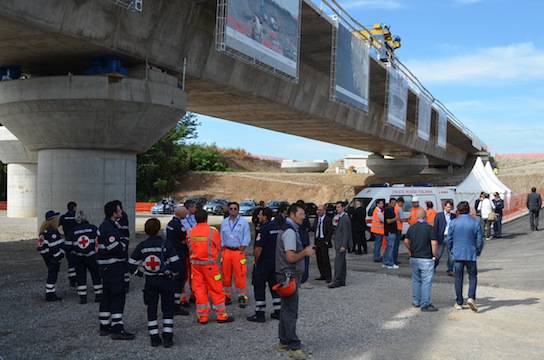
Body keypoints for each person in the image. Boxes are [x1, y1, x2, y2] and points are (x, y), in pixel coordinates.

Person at [128, 218, 183, 348]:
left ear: (146, 231)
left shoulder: (142, 246)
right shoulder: (166, 244)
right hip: (166, 280)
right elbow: (176, 265)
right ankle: (168, 337)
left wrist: (141, 274)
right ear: (159, 230)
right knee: (168, 308)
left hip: (150, 281)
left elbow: (130, 265)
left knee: (151, 308)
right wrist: (172, 272)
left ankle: (154, 337)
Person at [275, 203, 315, 360]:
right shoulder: (290, 232)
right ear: (292, 214)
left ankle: (283, 342)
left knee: (285, 308)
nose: (304, 216)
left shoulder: (287, 228)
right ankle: (293, 345)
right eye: (301, 213)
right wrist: (305, 252)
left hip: (284, 274)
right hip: (288, 276)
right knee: (291, 310)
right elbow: (290, 257)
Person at [188, 209, 234, 324]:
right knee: (216, 289)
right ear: (206, 218)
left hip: (195, 266)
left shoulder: (190, 231)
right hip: (210, 266)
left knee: (199, 290)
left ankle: (202, 316)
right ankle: (221, 315)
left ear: (195, 219)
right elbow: (218, 247)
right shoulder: (212, 232)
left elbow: (189, 248)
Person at [97, 200, 134, 340]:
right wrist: (124, 241)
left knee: (106, 295)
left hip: (107, 268)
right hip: (113, 268)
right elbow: (116, 248)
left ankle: (104, 325)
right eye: (119, 210)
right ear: (114, 213)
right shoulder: (109, 228)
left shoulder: (109, 225)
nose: (122, 212)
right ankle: (117, 329)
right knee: (118, 296)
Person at [448, 201, 484, 312]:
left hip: (457, 253)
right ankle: (471, 297)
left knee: (458, 278)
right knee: (472, 276)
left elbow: (449, 239)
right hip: (470, 253)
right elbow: (479, 239)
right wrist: (477, 251)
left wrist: (452, 250)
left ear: (458, 210)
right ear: (469, 210)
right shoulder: (476, 222)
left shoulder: (453, 223)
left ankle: (459, 302)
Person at [247, 207, 281, 322]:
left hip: (263, 263)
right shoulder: (276, 227)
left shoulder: (264, 228)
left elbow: (258, 248)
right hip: (275, 262)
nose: (258, 217)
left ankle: (260, 313)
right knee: (275, 287)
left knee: (259, 286)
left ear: (265, 217)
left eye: (260, 215)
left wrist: (256, 260)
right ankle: (278, 311)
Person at [404, 208, 438, 312]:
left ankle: (416, 301)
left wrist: (410, 251)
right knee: (426, 282)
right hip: (426, 258)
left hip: (414, 257)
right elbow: (434, 243)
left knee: (416, 280)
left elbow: (406, 241)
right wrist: (434, 255)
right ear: (425, 216)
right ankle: (425, 304)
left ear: (417, 217)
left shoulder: (411, 227)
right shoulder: (430, 228)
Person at [220, 201, 251, 307]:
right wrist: (222, 246)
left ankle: (241, 296)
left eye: (235, 208)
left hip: (238, 252)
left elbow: (247, 236)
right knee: (226, 275)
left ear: (238, 210)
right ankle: (226, 295)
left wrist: (243, 246)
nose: (233, 210)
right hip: (227, 251)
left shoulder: (243, 222)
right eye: (231, 208)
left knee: (240, 274)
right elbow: (221, 236)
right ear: (228, 210)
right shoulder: (224, 222)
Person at [69, 211, 103, 304]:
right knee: (96, 275)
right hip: (92, 256)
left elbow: (68, 246)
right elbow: (100, 241)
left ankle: (83, 298)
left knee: (81, 277)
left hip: (79, 258)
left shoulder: (73, 231)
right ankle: (98, 296)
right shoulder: (93, 228)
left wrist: (73, 253)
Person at [165, 205, 190, 316]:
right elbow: (184, 240)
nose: (186, 215)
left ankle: (173, 303)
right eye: (185, 213)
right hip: (179, 255)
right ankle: (176, 305)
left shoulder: (170, 224)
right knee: (179, 279)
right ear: (180, 214)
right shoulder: (179, 226)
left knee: (175, 279)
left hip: (172, 254)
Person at [37, 210, 64, 302]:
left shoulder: (43, 231)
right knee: (52, 275)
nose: (57, 220)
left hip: (47, 257)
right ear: (52, 220)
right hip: (53, 258)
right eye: (56, 218)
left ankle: (51, 292)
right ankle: (50, 295)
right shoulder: (52, 232)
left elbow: (41, 247)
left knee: (52, 274)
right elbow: (54, 247)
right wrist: (59, 256)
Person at [328, 201, 352, 288]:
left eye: (338, 207)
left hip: (341, 244)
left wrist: (344, 245)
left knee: (338, 262)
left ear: (343, 208)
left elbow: (346, 233)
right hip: (338, 242)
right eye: (336, 207)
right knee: (342, 262)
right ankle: (342, 280)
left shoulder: (345, 218)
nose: (337, 209)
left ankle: (337, 281)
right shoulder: (338, 217)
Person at [433, 200, 456, 275]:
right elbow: (435, 227)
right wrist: (435, 239)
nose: (449, 208)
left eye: (450, 207)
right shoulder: (439, 215)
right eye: (448, 207)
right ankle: (433, 268)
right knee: (438, 254)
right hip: (441, 237)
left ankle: (450, 269)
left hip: (450, 237)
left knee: (451, 255)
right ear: (444, 206)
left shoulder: (453, 216)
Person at [113, 201, 130, 293]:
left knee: (124, 262)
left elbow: (124, 228)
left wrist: (115, 224)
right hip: (118, 241)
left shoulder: (123, 216)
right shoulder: (112, 217)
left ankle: (126, 284)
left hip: (123, 241)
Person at [59, 201, 78, 288]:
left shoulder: (63, 217)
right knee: (77, 261)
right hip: (76, 242)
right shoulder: (76, 217)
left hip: (67, 241)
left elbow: (56, 226)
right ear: (74, 208)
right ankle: (78, 279)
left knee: (70, 262)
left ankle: (72, 281)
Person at [312, 205, 332, 283]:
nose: (319, 211)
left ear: (324, 211)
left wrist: (327, 241)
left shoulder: (328, 219)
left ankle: (328, 276)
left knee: (325, 259)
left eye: (320, 210)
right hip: (317, 240)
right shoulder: (317, 219)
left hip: (324, 240)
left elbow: (330, 231)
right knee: (319, 259)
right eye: (318, 210)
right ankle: (322, 274)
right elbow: (314, 228)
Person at [296, 200, 313, 289]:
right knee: (305, 261)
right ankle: (304, 280)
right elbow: (309, 227)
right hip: (304, 240)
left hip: (297, 240)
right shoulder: (304, 216)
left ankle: (298, 279)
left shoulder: (294, 217)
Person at [383, 198, 399, 269]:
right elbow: (388, 221)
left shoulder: (390, 209)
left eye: (395, 203)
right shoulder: (388, 210)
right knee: (390, 248)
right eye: (392, 202)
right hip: (390, 232)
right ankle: (390, 263)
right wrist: (396, 218)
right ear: (389, 203)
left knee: (388, 248)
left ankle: (386, 262)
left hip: (390, 232)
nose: (394, 204)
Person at [393, 197, 406, 265]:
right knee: (396, 245)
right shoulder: (399, 208)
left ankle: (393, 259)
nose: (403, 205)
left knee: (393, 245)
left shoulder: (394, 207)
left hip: (394, 228)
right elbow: (402, 219)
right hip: (398, 228)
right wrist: (408, 219)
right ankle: (395, 260)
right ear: (400, 202)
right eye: (403, 203)